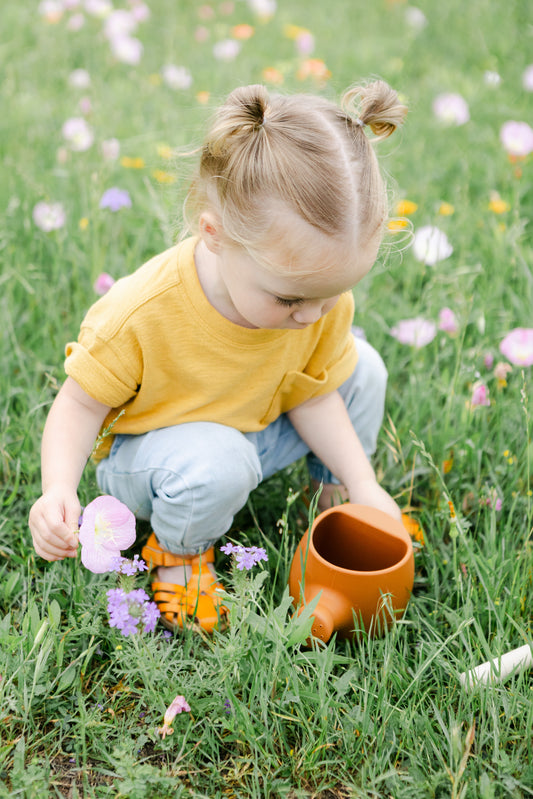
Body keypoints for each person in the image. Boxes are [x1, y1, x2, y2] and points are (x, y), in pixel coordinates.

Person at [29, 80, 407, 632]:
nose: (312, 315)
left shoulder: (315, 304)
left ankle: (339, 502)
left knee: (364, 370)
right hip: (154, 458)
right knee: (220, 462)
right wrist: (58, 489)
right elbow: (79, 404)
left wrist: (364, 480)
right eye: (290, 298)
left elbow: (315, 391)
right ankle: (179, 553)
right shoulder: (144, 312)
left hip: (249, 428)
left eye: (330, 295)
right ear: (216, 235)